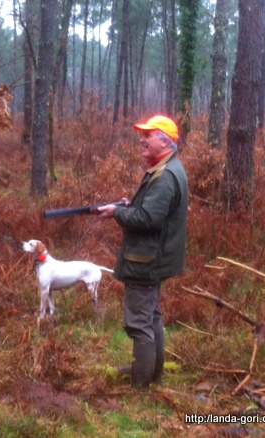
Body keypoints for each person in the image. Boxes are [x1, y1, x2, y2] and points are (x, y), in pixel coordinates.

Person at [97, 115, 188, 389]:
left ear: (165, 141)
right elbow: (153, 210)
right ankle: (150, 373)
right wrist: (129, 205)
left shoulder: (165, 176)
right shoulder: (166, 169)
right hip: (154, 258)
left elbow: (150, 219)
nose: (142, 139)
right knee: (151, 316)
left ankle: (140, 386)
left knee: (139, 322)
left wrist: (118, 213)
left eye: (148, 135)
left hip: (146, 260)